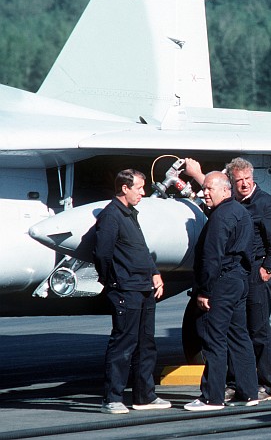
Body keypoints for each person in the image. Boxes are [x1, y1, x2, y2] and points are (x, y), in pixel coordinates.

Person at [185, 157, 271, 402]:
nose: (243, 184)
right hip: (241, 272)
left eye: (247, 179)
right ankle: (238, 383)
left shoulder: (264, 204)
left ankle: (266, 384)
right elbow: (215, 188)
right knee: (238, 331)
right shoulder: (233, 204)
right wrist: (198, 174)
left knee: (258, 330)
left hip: (258, 272)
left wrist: (268, 268)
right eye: (239, 180)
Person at [94, 169, 171, 414]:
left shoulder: (130, 214)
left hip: (144, 287)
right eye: (139, 187)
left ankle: (144, 396)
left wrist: (155, 272)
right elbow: (102, 255)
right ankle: (112, 398)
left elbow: (139, 249)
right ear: (124, 188)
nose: (143, 192)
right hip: (126, 289)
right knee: (124, 343)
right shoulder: (111, 216)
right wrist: (114, 282)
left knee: (146, 344)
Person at [184, 171, 260, 411]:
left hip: (221, 283)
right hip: (238, 281)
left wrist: (205, 290)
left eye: (210, 189)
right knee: (239, 337)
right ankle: (248, 392)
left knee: (214, 339)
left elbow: (212, 256)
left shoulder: (220, 217)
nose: (204, 193)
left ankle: (212, 397)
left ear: (226, 190)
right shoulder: (241, 213)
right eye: (204, 188)